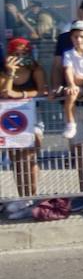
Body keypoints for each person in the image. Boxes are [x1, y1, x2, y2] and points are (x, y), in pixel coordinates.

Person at [1, 37, 46, 199]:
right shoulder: (4, 71)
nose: (20, 56)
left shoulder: (36, 69)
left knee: (30, 156)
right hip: (10, 118)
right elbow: (4, 92)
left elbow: (42, 91)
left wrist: (21, 94)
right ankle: (22, 197)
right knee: (16, 159)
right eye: (16, 53)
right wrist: (10, 73)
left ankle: (32, 195)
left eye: (24, 53)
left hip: (32, 116)